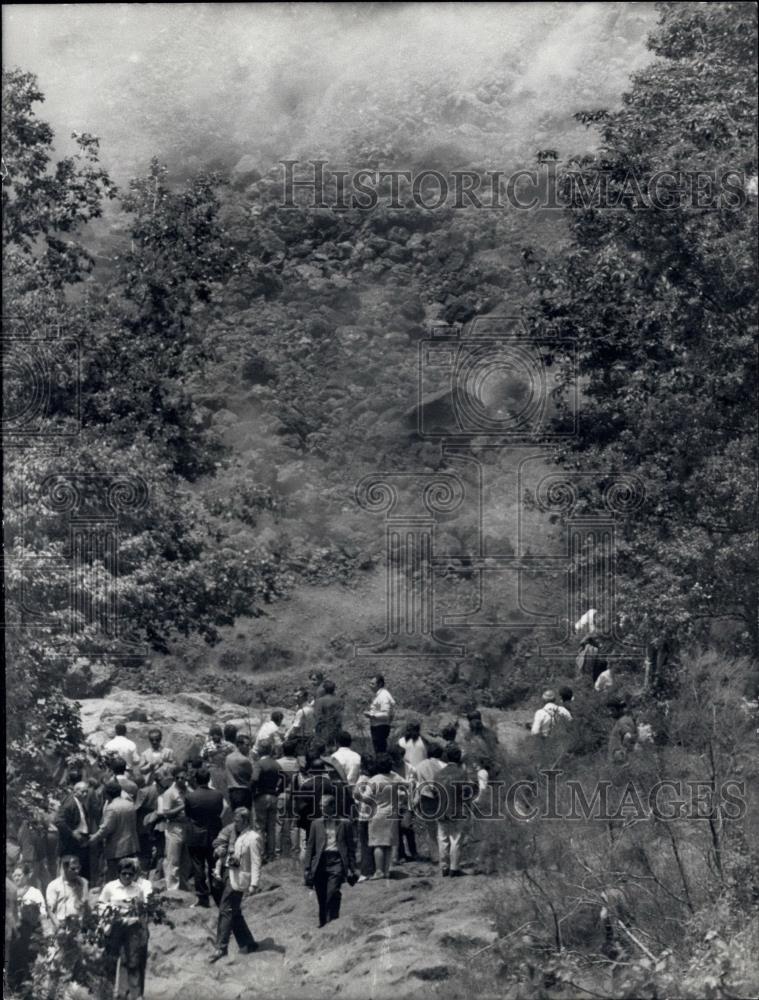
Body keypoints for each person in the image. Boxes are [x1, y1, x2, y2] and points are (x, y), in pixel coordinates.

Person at [210, 808, 261, 963]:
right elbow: (217, 843)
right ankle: (248, 942)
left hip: (239, 879)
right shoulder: (231, 830)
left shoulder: (253, 837)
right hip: (229, 873)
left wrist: (254, 884)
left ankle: (221, 947)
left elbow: (256, 862)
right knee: (234, 911)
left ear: (245, 821)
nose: (235, 824)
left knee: (225, 910)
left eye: (238, 821)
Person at [98, 857, 150, 1000]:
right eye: (124, 873)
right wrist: (110, 913)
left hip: (132, 929)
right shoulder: (110, 887)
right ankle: (108, 994)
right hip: (115, 927)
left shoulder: (138, 889)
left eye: (130, 874)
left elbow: (141, 909)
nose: (127, 876)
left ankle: (132, 994)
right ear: (119, 873)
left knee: (132, 961)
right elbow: (100, 905)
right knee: (111, 960)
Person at [304, 794, 357, 927]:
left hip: (337, 861)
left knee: (332, 892)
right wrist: (307, 867)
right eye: (320, 806)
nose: (322, 809)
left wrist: (352, 867)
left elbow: (351, 846)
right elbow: (310, 847)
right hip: (320, 862)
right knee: (321, 895)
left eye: (325, 806)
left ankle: (332, 919)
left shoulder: (345, 823)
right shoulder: (315, 823)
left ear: (333, 806)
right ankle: (324, 922)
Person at [435, 744, 477, 877]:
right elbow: (467, 792)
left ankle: (444, 867)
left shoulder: (438, 774)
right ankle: (454, 868)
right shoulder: (462, 774)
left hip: (441, 809)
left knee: (442, 838)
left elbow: (434, 791)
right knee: (456, 840)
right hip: (458, 809)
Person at [184, 767, 224, 908]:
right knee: (214, 865)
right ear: (209, 779)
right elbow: (219, 812)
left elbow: (188, 815)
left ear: (195, 780)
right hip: (213, 834)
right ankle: (218, 896)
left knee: (198, 866)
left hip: (196, 835)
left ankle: (203, 898)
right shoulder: (218, 795)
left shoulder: (190, 797)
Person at [7, 863, 48, 990]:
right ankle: (11, 984)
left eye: (19, 875)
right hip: (11, 930)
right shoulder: (8, 891)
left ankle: (24, 985)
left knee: (25, 958)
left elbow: (43, 912)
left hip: (28, 931)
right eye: (14, 875)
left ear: (26, 876)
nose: (16, 878)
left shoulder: (35, 892)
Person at [89, 780, 140, 881]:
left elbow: (106, 829)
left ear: (107, 794)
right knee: (129, 876)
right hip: (131, 846)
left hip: (117, 849)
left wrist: (92, 839)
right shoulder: (130, 804)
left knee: (114, 878)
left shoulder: (112, 808)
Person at [358, 752, 397, 879]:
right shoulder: (394, 777)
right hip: (391, 813)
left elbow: (366, 798)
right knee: (389, 843)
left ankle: (379, 871)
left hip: (377, 813)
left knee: (378, 843)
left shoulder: (374, 780)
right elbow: (408, 785)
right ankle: (387, 870)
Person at [156, 765, 188, 892]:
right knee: (172, 860)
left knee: (185, 861)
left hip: (186, 826)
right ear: (175, 778)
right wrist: (183, 806)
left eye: (183, 778)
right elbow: (166, 813)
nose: (181, 780)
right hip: (174, 827)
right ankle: (172, 890)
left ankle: (184, 889)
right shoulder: (170, 793)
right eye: (178, 778)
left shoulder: (187, 790)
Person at [413, 744, 446, 863]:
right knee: (442, 828)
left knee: (431, 828)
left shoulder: (419, 766)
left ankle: (435, 856)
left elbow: (417, 784)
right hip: (441, 798)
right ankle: (444, 855)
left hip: (426, 797)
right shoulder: (443, 765)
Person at [55, 780, 92, 880]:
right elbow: (59, 821)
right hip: (71, 843)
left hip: (81, 840)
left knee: (82, 869)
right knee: (72, 869)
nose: (85, 794)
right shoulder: (70, 803)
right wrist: (72, 833)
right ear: (75, 792)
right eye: (82, 792)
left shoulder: (80, 803)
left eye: (86, 792)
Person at [251, 741, 281, 863]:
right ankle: (271, 854)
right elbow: (286, 778)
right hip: (273, 796)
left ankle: (261, 854)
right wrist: (279, 790)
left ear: (260, 750)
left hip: (261, 796)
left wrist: (253, 792)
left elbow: (254, 779)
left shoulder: (259, 764)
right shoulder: (276, 764)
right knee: (271, 827)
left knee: (260, 827)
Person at [46, 854, 89, 930]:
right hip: (62, 924)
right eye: (73, 869)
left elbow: (84, 903)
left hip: (79, 924)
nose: (77, 871)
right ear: (65, 868)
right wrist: (58, 925)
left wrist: (84, 886)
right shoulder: (54, 885)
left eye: (78, 868)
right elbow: (50, 910)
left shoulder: (83, 882)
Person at [275, 738, 301, 857]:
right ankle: (295, 852)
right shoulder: (298, 763)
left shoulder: (278, 763)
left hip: (281, 794)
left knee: (279, 823)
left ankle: (277, 852)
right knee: (294, 825)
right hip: (295, 795)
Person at [353, 754, 376, 881]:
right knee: (374, 843)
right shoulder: (376, 778)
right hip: (377, 814)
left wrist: (359, 800)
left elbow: (356, 794)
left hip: (364, 815)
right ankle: (375, 868)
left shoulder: (362, 779)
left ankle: (366, 871)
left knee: (365, 844)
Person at [364, 674, 396, 753]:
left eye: (373, 684)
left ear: (380, 684)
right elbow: (379, 710)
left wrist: (371, 715)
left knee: (381, 753)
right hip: (377, 727)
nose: (370, 685)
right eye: (370, 683)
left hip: (380, 728)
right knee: (378, 751)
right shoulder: (379, 695)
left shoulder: (383, 696)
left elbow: (386, 714)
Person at [313, 680, 344, 752]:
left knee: (323, 749)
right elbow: (340, 715)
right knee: (336, 748)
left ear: (324, 690)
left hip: (324, 729)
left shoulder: (320, 701)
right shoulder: (340, 700)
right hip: (337, 728)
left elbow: (317, 716)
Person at [225, 733, 254, 810]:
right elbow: (253, 774)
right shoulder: (244, 760)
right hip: (243, 792)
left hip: (232, 792)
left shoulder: (228, 757)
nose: (249, 748)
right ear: (239, 745)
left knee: (237, 817)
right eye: (247, 745)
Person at [286, 689, 316, 760]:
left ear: (303, 697)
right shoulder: (311, 708)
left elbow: (295, 729)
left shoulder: (301, 711)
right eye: (294, 696)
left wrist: (287, 737)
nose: (295, 698)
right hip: (310, 738)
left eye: (297, 696)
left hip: (300, 740)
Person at [607, 698, 637, 764]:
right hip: (620, 762)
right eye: (609, 710)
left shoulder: (623, 721)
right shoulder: (621, 721)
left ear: (620, 709)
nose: (610, 713)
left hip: (623, 763)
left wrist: (622, 755)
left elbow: (629, 737)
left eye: (612, 710)